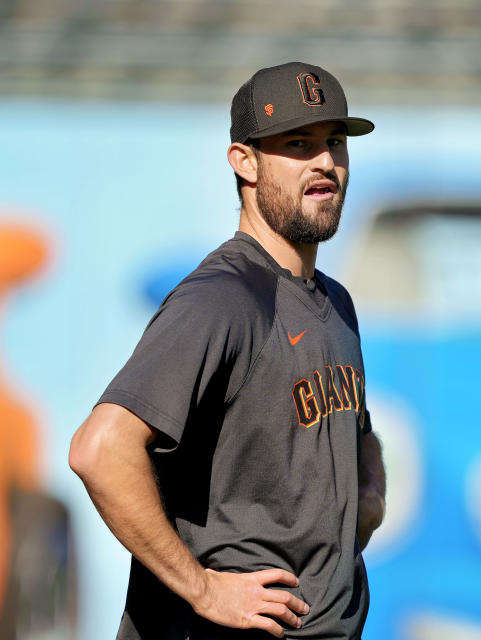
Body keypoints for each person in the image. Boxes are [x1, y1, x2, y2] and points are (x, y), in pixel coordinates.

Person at [69, 62, 386, 639]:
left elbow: (358, 431)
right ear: (244, 160)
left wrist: (370, 493)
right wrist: (203, 586)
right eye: (298, 143)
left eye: (334, 142)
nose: (324, 163)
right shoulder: (223, 299)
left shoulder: (335, 303)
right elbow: (100, 449)